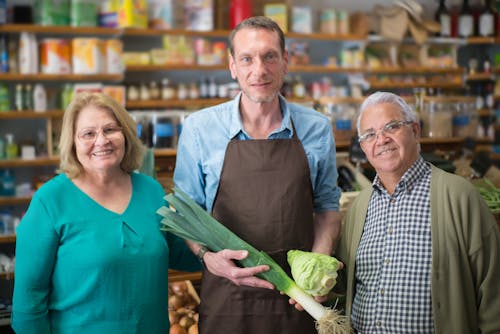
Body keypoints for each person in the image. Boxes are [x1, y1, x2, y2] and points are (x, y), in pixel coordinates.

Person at [173, 16, 342, 334]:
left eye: (269, 57)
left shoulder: (316, 128)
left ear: (285, 62)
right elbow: (186, 214)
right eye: (247, 59)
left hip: (298, 298)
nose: (259, 70)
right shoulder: (200, 129)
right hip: (228, 296)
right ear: (232, 65)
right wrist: (208, 257)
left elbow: (327, 208)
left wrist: (319, 266)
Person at [11, 92, 201, 333]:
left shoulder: (150, 189)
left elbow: (179, 252)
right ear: (72, 142)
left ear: (126, 135)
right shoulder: (50, 201)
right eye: (88, 133)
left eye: (110, 129)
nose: (102, 141)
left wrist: (222, 242)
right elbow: (29, 302)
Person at [336, 91, 500, 333]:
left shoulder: (459, 197)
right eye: (370, 135)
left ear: (415, 131)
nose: (381, 140)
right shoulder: (358, 208)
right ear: (363, 147)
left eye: (391, 127)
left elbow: (493, 294)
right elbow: (346, 286)